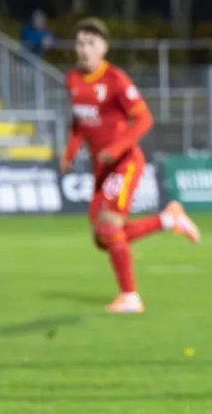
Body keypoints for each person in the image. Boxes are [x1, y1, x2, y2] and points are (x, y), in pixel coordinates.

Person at [62, 18, 201, 313]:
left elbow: (144, 119)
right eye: (80, 43)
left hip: (124, 163)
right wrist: (69, 153)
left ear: (104, 47)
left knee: (110, 226)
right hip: (102, 170)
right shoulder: (73, 80)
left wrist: (114, 149)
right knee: (103, 237)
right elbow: (78, 123)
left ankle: (130, 297)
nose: (85, 49)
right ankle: (168, 220)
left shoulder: (115, 80)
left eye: (91, 43)